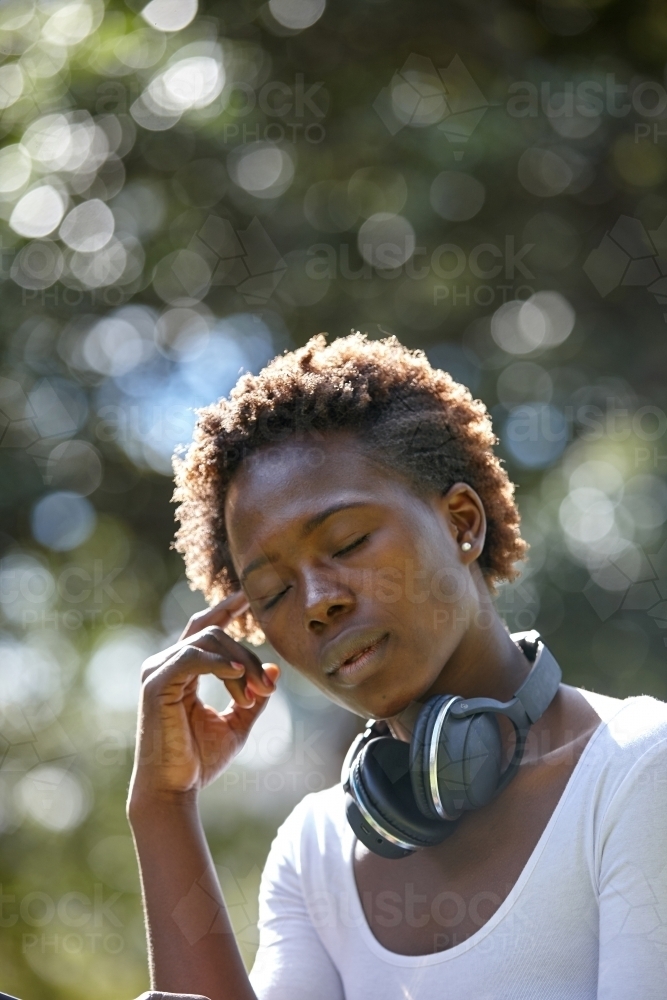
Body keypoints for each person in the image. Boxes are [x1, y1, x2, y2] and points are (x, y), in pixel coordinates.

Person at [127, 333, 667, 1000]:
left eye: (348, 542)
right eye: (272, 594)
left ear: (462, 523)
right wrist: (164, 805)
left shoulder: (639, 769)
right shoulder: (314, 853)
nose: (318, 604)